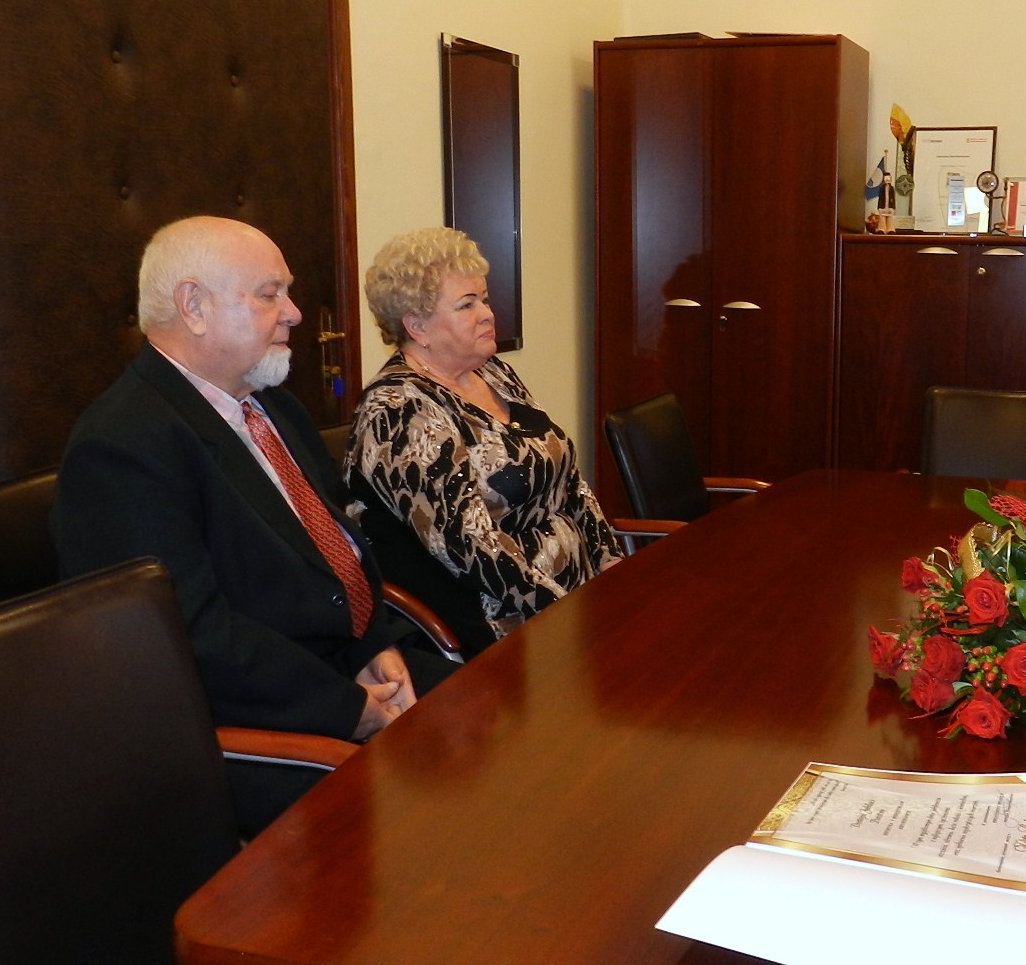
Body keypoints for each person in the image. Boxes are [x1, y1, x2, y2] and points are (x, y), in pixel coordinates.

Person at [52, 216, 455, 836]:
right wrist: (349, 708)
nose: (295, 313)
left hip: (340, 664)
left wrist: (371, 645)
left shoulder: (274, 408)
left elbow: (334, 555)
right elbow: (190, 638)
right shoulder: (124, 445)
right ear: (193, 306)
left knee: (493, 722)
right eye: (271, 294)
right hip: (249, 724)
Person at [346, 227, 622, 657]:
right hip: (503, 623)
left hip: (575, 594)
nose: (488, 314)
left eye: (485, 299)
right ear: (417, 326)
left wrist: (610, 560)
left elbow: (567, 478)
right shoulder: (398, 411)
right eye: (467, 304)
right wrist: (570, 612)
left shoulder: (494, 374)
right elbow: (469, 546)